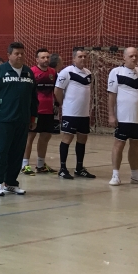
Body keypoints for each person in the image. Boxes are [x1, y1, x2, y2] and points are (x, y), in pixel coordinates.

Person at [0, 42, 38, 197]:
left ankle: (11, 183)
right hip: (4, 118)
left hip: (23, 119)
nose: (20, 56)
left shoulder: (28, 72)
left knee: (17, 152)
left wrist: (33, 118)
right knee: (1, 151)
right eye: (16, 53)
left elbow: (34, 98)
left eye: (22, 53)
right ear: (9, 55)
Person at [108, 47, 138, 186]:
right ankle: (115, 175)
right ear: (124, 57)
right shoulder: (116, 72)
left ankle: (135, 175)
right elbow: (111, 95)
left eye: (136, 56)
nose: (134, 58)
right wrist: (111, 115)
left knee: (135, 146)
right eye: (131, 56)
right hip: (123, 117)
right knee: (119, 144)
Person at [54, 48, 96, 180]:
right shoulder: (66, 72)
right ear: (73, 58)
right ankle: (62, 168)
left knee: (82, 139)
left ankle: (79, 168)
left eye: (84, 56)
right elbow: (57, 90)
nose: (83, 58)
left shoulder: (88, 73)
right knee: (67, 138)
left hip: (84, 114)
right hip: (70, 113)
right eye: (80, 56)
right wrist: (63, 104)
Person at [22, 48, 58, 175]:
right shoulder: (31, 72)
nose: (46, 59)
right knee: (30, 137)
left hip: (48, 111)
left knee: (45, 137)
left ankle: (40, 165)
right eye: (43, 57)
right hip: (35, 111)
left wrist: (57, 104)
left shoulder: (53, 72)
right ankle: (25, 165)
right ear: (37, 59)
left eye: (47, 57)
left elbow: (56, 90)